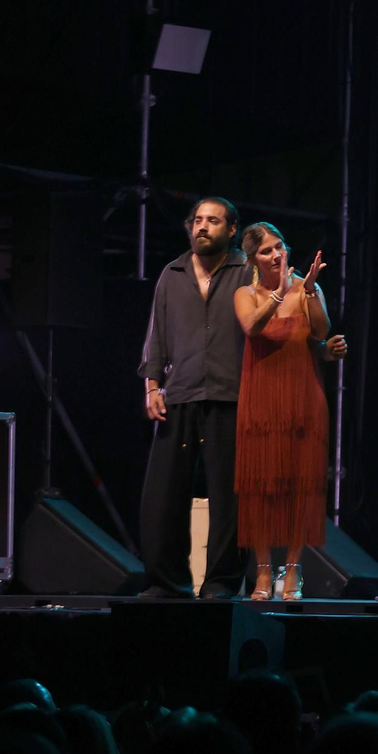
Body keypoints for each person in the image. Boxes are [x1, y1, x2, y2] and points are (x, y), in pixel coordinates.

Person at [138, 197, 251, 599]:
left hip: (231, 393)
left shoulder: (247, 270)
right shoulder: (173, 272)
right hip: (180, 392)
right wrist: (152, 385)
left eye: (213, 221)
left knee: (228, 498)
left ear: (231, 229)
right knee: (163, 495)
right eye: (198, 221)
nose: (203, 227)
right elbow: (157, 332)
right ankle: (165, 582)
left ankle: (221, 582)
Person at [231, 223, 348, 601]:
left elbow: (321, 330)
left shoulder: (305, 287)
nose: (278, 255)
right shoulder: (245, 293)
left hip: (303, 396)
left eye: (280, 246)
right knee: (261, 487)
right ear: (252, 259)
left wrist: (308, 289)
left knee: (301, 485)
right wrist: (280, 293)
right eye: (267, 251)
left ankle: (294, 571)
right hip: (262, 398)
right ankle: (263, 572)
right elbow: (252, 326)